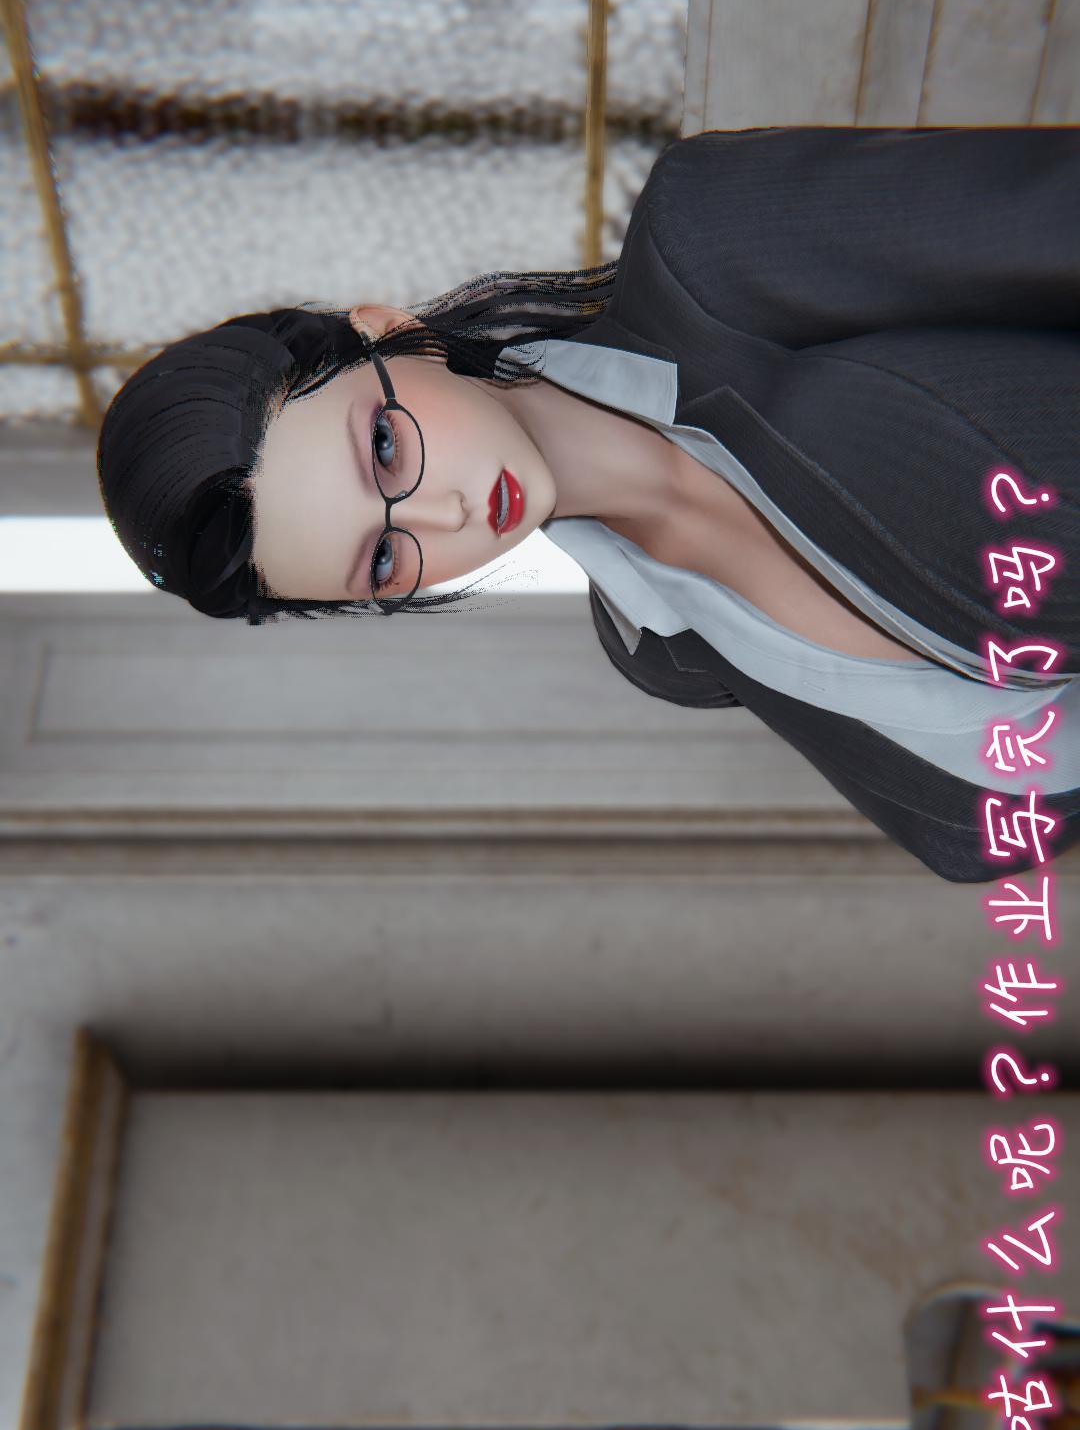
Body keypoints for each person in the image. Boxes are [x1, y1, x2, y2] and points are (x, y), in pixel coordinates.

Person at [96, 125, 1080, 884]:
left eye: (386, 450)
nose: (443, 517)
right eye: (384, 559)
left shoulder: (718, 242)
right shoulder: (669, 654)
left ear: (391, 332)